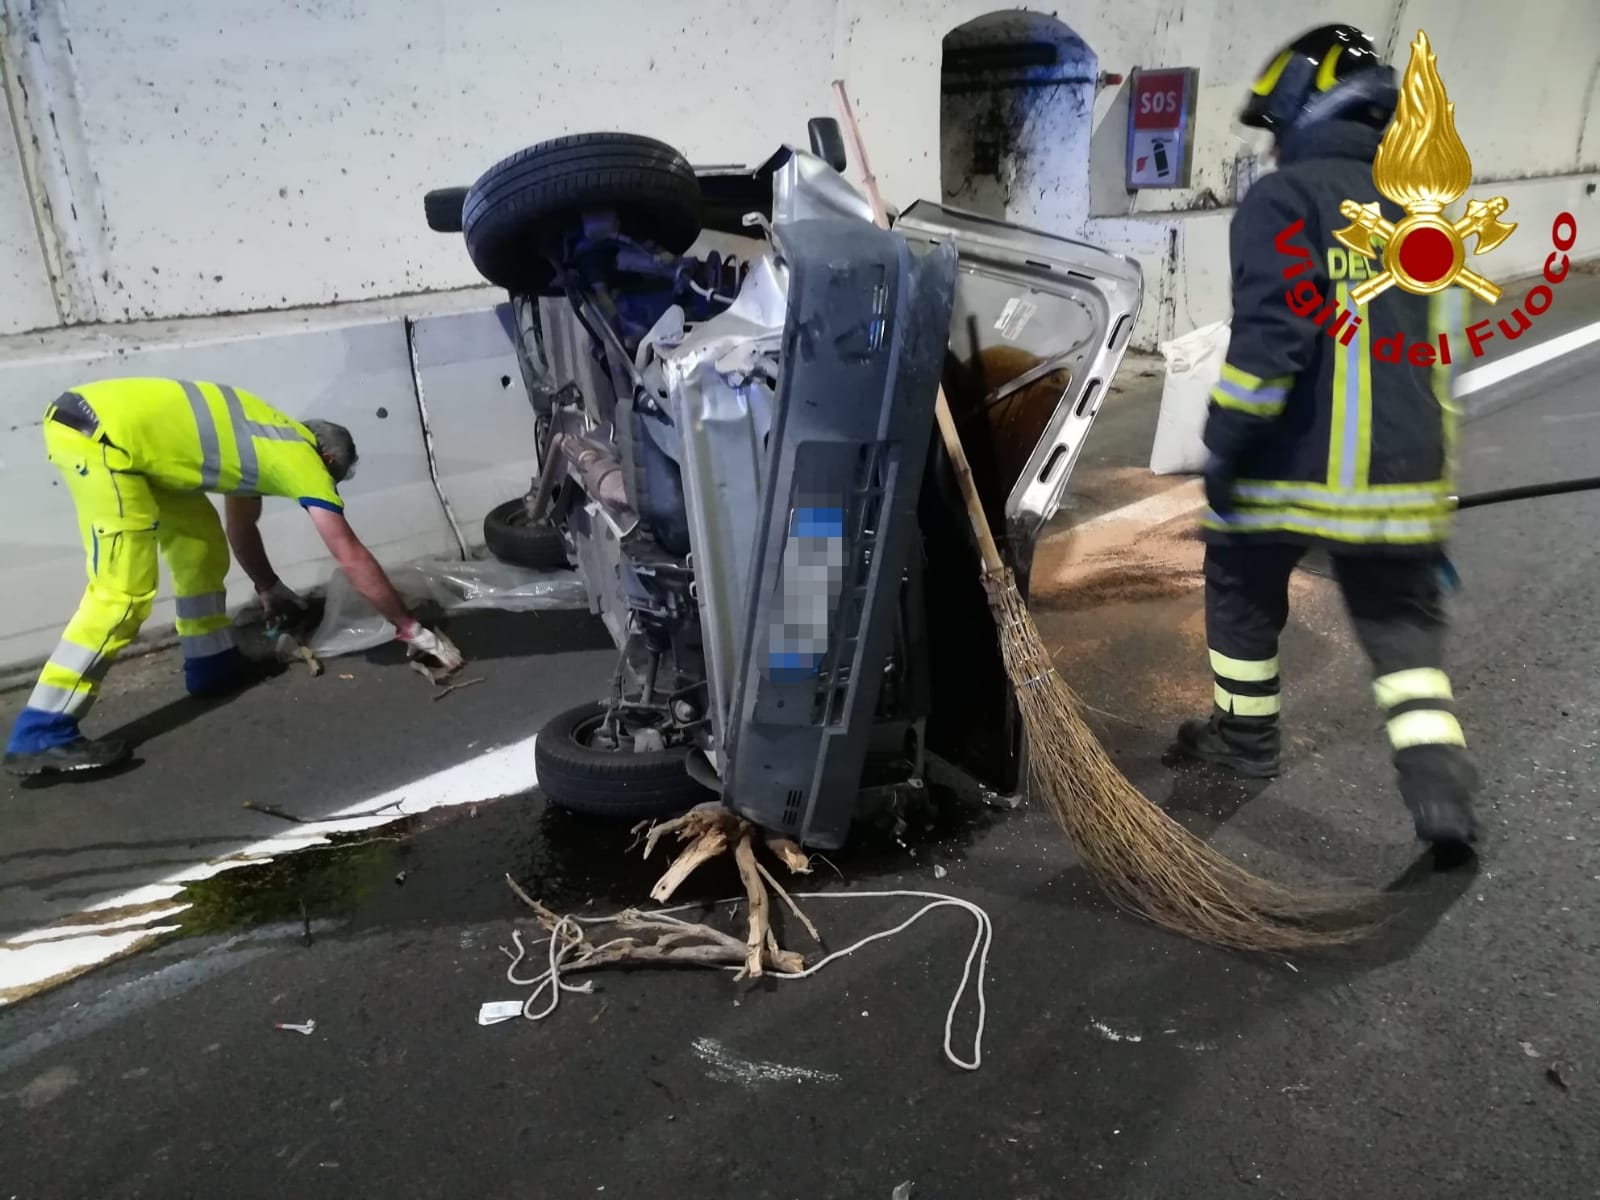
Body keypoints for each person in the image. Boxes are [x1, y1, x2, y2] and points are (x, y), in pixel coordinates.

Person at [1173, 24, 1478, 850]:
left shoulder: (1287, 198)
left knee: (1238, 583)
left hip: (1294, 470)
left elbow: (1272, 344)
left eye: (1278, 127)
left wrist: (1224, 443)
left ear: (1307, 108)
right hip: (1405, 475)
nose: (1274, 146)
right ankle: (1438, 786)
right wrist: (1428, 479)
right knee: (1403, 630)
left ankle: (1245, 744)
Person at [4, 378, 463, 777]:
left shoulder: (265, 436)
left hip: (118, 436)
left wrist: (268, 587)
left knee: (199, 547)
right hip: (100, 439)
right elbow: (349, 553)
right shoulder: (302, 459)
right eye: (332, 479)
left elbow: (241, 525)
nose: (327, 486)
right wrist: (409, 628)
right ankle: (41, 731)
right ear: (326, 457)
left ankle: (209, 664)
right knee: (122, 592)